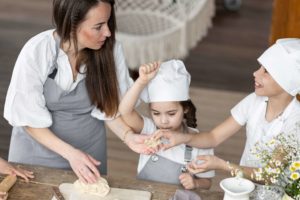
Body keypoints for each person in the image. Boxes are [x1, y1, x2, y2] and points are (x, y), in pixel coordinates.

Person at [3, 0, 152, 184]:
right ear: (72, 24)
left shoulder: (111, 50)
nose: (108, 32)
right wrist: (71, 154)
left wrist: (128, 137)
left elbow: (109, 108)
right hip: (36, 152)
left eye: (108, 23)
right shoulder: (38, 50)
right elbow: (27, 118)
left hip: (88, 153)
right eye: (98, 26)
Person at [153, 38, 300, 180]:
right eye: (259, 68)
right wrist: (181, 138)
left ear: (286, 81)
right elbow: (213, 137)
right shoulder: (255, 101)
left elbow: (270, 174)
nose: (255, 73)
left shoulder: (296, 122)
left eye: (266, 71)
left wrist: (222, 165)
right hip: (245, 187)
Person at [119, 60, 214, 189]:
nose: (163, 121)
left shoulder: (200, 143)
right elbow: (125, 111)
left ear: (185, 108)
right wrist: (141, 81)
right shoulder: (149, 130)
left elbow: (207, 183)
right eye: (156, 113)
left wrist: (196, 183)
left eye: (171, 113)